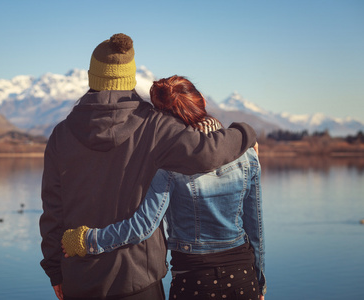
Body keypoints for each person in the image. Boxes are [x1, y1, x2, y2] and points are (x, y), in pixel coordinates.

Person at [40, 33, 257, 300]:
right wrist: (245, 132)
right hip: (139, 281)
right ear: (130, 78)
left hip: (78, 278)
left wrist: (54, 271)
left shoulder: (61, 135)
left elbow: (52, 213)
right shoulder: (156, 126)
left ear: (91, 76)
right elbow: (207, 152)